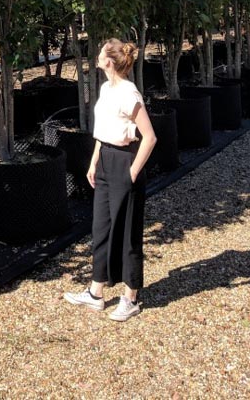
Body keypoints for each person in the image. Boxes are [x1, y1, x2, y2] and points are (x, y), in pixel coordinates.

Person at [64, 38, 157, 321]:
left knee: (127, 231)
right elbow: (103, 131)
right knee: (101, 228)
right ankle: (95, 292)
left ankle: (130, 297)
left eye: (102, 51)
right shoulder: (105, 88)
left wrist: (132, 171)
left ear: (110, 61)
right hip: (104, 159)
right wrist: (94, 163)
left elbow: (150, 137)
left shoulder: (130, 94)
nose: (98, 54)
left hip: (124, 162)